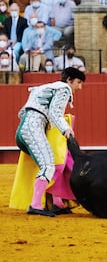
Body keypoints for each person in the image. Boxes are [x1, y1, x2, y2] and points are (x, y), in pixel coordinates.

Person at [15, 67, 86, 217]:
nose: (80, 87)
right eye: (78, 82)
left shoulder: (44, 87)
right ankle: (35, 205)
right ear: (69, 80)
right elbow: (55, 112)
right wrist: (65, 129)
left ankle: (57, 202)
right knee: (49, 165)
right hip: (33, 128)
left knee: (49, 164)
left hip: (24, 129)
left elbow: (21, 112)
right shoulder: (64, 88)